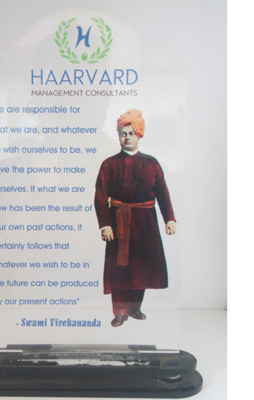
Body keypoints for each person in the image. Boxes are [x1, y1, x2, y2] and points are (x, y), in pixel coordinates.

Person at [94, 109, 176, 327]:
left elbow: (163, 193)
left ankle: (135, 308)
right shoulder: (109, 164)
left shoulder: (152, 164)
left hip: (145, 224)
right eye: (123, 133)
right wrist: (105, 225)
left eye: (131, 133)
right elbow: (100, 197)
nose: (127, 137)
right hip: (118, 222)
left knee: (141, 268)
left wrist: (170, 219)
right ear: (118, 136)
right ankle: (120, 311)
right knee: (120, 268)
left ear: (139, 134)